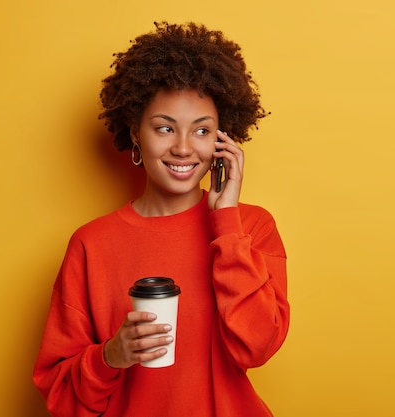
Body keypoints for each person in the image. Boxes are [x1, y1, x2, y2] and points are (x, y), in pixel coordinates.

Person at [33, 21, 290, 417]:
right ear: (136, 132)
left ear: (222, 139)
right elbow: (60, 393)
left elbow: (256, 348)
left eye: (202, 131)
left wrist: (225, 221)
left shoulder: (250, 228)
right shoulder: (91, 244)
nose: (184, 148)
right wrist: (110, 357)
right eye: (165, 128)